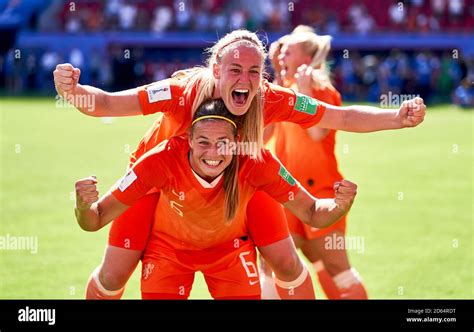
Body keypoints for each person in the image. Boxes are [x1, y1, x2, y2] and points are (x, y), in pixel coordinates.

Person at [54, 29, 426, 300]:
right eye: (235, 69)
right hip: (159, 180)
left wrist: (397, 118)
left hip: (241, 176)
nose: (246, 80)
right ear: (216, 68)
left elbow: (339, 118)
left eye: (254, 71)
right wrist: (72, 91)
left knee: (287, 263)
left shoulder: (270, 99)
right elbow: (106, 104)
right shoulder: (181, 91)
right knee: (115, 273)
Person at [74, 99, 358, 299]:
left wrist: (338, 205)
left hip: (229, 251)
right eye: (203, 143)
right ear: (187, 138)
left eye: (223, 143)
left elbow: (312, 211)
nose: (213, 153)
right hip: (169, 251)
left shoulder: (256, 159)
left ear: (236, 141)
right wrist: (83, 206)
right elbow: (94, 219)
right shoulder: (159, 159)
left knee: (286, 262)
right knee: (112, 276)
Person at [261, 27, 367, 299]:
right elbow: (265, 136)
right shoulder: (282, 92)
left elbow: (317, 133)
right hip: (286, 192)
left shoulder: (323, 91)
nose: (281, 53)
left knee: (335, 266)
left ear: (306, 59)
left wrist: (305, 90)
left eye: (289, 50)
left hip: (321, 190)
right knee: (274, 265)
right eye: (281, 50)